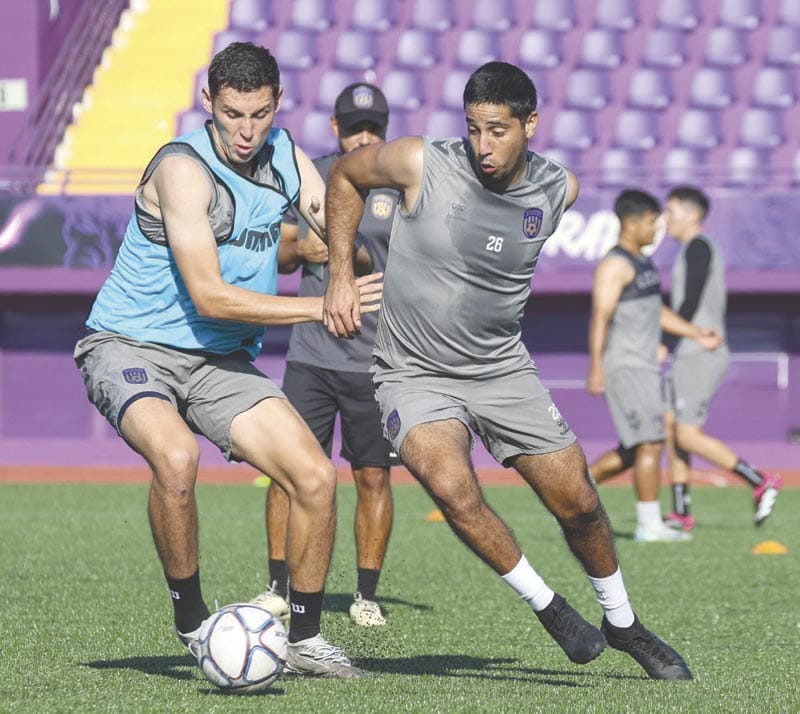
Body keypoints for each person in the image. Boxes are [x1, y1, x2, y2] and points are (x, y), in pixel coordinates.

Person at [321, 61, 693, 680]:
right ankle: (549, 607)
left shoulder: (559, 189)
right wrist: (339, 273)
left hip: (501, 369)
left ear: (530, 124)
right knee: (449, 483)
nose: (483, 146)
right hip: (413, 372)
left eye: (497, 130)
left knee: (578, 501)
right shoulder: (419, 161)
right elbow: (344, 175)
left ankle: (623, 622)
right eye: (473, 129)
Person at [73, 42, 382, 679]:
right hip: (129, 346)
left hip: (218, 361)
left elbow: (333, 218)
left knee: (315, 477)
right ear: (208, 101)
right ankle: (193, 624)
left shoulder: (286, 154)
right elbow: (210, 297)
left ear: (278, 105)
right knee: (176, 457)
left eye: (260, 115)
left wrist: (344, 264)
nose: (246, 131)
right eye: (233, 114)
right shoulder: (182, 169)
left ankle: (305, 638)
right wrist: (322, 304)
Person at [251, 83, 397, 627]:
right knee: (287, 471)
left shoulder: (401, 184)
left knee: (373, 477)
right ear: (336, 128)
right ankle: (277, 586)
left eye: (374, 127)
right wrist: (300, 247)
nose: (365, 137)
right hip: (311, 354)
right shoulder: (311, 176)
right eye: (355, 128)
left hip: (375, 357)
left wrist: (347, 252)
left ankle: (366, 595)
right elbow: (281, 256)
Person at [586, 189, 721, 542]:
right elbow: (601, 316)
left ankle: (571, 497)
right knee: (651, 441)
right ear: (631, 223)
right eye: (651, 222)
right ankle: (649, 525)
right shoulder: (614, 265)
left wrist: (695, 332)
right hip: (626, 366)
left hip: (645, 367)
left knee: (635, 449)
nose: (657, 229)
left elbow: (656, 312)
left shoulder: (643, 263)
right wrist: (596, 366)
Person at [661, 185, 781, 530]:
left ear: (691, 215)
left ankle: (760, 480)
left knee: (686, 434)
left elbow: (690, 302)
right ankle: (681, 512)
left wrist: (665, 342)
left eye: (671, 211)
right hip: (690, 349)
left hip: (700, 351)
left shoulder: (698, 247)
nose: (666, 218)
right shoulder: (691, 249)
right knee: (672, 428)